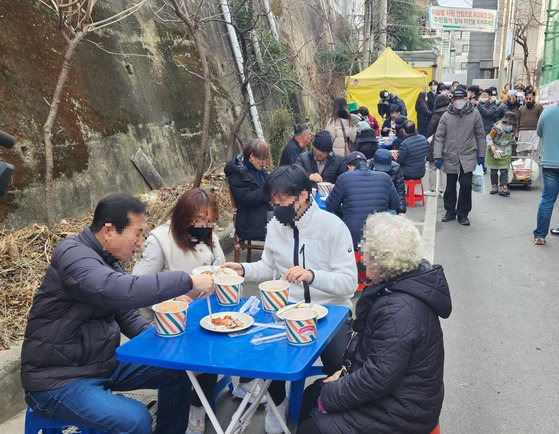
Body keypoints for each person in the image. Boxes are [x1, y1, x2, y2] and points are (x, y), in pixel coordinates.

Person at [20, 193, 215, 434]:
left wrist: (166, 344)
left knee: (177, 369)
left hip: (99, 364)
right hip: (57, 380)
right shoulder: (72, 255)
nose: (141, 242)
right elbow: (120, 291)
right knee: (135, 419)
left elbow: (127, 314)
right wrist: (188, 281)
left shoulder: (109, 260)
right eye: (138, 233)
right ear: (109, 231)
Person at [222, 164, 357, 434]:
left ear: (305, 195)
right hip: (286, 311)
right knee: (267, 356)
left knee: (342, 366)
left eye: (283, 198)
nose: (276, 204)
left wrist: (312, 275)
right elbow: (268, 267)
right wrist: (244, 270)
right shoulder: (275, 225)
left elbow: (349, 283)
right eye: (273, 199)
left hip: (330, 313)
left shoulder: (333, 227)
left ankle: (342, 414)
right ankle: (278, 403)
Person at [296, 213, 451, 434]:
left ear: (383, 260)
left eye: (367, 250)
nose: (362, 255)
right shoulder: (405, 285)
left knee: (312, 425)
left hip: (403, 413)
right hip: (406, 394)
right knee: (313, 394)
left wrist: (331, 394)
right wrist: (343, 374)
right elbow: (380, 361)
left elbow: (376, 379)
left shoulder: (398, 309)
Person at [130, 188, 231, 434]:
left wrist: (220, 276)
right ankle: (173, 418)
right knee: (181, 365)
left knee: (212, 348)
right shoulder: (160, 239)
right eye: (199, 220)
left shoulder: (208, 233)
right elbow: (137, 283)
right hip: (170, 316)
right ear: (183, 217)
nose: (205, 226)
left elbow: (215, 265)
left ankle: (198, 406)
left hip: (203, 309)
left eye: (210, 221)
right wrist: (173, 295)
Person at [434, 87, 486, 226]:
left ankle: (463, 213)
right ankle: (450, 211)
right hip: (450, 154)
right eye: (455, 98)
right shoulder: (446, 116)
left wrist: (481, 154)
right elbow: (439, 137)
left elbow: (480, 135)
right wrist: (437, 156)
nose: (458, 101)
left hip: (468, 154)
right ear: (452, 99)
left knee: (465, 184)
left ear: (466, 98)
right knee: (450, 186)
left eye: (461, 98)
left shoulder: (474, 114)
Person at [326, 151, 400, 247]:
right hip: (378, 234)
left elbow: (330, 205)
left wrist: (343, 210)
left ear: (349, 167)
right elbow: (395, 204)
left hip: (352, 236)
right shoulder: (385, 177)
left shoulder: (344, 178)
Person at [225, 139, 271, 243]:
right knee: (287, 228)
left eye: (265, 159)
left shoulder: (257, 169)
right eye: (261, 159)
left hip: (263, 213)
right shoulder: (237, 173)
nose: (264, 163)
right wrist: (267, 191)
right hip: (250, 222)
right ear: (251, 157)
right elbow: (245, 198)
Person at [533, 104, 559, 245]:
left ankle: (540, 236)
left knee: (547, 200)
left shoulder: (548, 110)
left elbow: (539, 132)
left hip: (550, 162)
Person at [486, 112, 516, 197]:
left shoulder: (512, 130)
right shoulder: (496, 129)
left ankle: (503, 187)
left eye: (510, 124)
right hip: (494, 152)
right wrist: (491, 146)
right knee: (494, 170)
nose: (507, 125)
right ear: (502, 122)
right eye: (505, 123)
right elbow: (488, 138)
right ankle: (494, 186)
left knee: (504, 170)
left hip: (505, 153)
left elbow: (512, 141)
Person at [370, 149, 407, 215]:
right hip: (371, 202)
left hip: (389, 204)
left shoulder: (396, 168)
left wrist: (401, 210)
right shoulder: (368, 166)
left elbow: (400, 190)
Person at [426, 95, 449, 196]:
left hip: (436, 140)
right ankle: (443, 190)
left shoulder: (437, 114)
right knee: (444, 168)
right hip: (448, 142)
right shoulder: (451, 112)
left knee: (432, 166)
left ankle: (432, 189)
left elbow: (430, 128)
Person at [516, 91, 544, 155]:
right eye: (527, 98)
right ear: (524, 98)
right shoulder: (521, 108)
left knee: (535, 151)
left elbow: (542, 119)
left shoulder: (539, 107)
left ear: (533, 98)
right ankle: (522, 164)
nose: (528, 100)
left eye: (530, 98)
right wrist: (516, 131)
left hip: (535, 131)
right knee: (522, 151)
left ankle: (533, 165)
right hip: (522, 131)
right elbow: (518, 120)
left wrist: (542, 131)